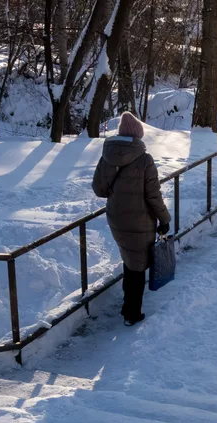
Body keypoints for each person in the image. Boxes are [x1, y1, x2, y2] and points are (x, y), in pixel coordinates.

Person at [92, 112, 171, 326]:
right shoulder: (145, 159)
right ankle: (131, 313)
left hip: (117, 219)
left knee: (131, 261)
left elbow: (99, 189)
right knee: (137, 267)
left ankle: (128, 308)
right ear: (138, 135)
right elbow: (153, 196)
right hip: (140, 220)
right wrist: (165, 219)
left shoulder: (106, 156)